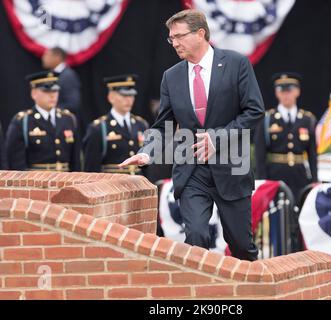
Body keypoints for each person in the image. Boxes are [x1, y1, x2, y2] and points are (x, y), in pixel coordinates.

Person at [119, 9, 264, 261]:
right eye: (171, 38)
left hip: (233, 165)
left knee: (240, 244)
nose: (174, 43)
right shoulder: (171, 76)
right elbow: (163, 124)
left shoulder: (236, 64)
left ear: (201, 33)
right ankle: (203, 296)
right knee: (196, 239)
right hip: (191, 169)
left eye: (179, 36)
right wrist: (147, 152)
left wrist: (217, 138)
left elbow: (254, 111)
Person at [254, 72, 318, 202]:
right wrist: (262, 182)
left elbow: (312, 155)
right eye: (282, 91)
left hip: (300, 176)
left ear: (297, 92)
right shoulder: (267, 119)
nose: (286, 94)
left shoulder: (307, 119)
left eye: (289, 90)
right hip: (275, 175)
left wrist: (315, 180)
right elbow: (259, 155)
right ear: (277, 93)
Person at [6, 71, 81, 172]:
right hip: (36, 183)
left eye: (55, 91)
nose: (52, 96)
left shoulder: (68, 118)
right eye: (46, 91)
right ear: (34, 93)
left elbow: (75, 162)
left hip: (65, 182)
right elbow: (16, 164)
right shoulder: (23, 121)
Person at [83, 75, 149, 174]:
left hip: (138, 184)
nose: (129, 100)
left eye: (131, 95)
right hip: (112, 186)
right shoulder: (99, 128)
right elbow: (91, 169)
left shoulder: (141, 124)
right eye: (124, 95)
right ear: (111, 97)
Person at [42, 47, 82, 116]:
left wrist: (49, 109)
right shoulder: (51, 75)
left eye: (47, 55)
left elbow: (73, 103)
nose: (43, 58)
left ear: (57, 57)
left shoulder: (68, 76)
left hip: (63, 122)